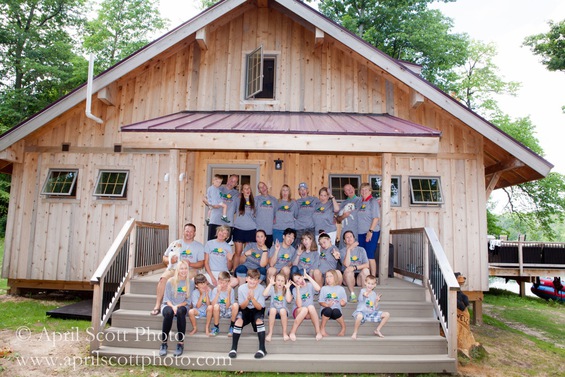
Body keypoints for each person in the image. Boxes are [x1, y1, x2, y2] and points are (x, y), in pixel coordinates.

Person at [150, 223, 204, 316]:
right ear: (183, 231)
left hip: (190, 269)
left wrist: (190, 264)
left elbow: (201, 263)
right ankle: (158, 305)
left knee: (191, 280)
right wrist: (171, 260)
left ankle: (187, 305)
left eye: (191, 231)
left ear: (194, 233)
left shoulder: (199, 246)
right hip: (174, 268)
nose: (189, 233)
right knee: (163, 278)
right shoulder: (175, 243)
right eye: (187, 231)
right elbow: (164, 258)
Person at [228, 268, 268, 359]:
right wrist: (248, 299)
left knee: (259, 321)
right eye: (251, 278)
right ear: (246, 279)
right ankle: (233, 348)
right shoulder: (241, 288)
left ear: (258, 281)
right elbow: (242, 307)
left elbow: (260, 307)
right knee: (238, 321)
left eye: (255, 279)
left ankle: (262, 349)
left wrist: (253, 299)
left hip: (257, 309)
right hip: (245, 309)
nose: (252, 281)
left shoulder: (261, 289)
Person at [159, 260, 190, 357]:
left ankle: (180, 343)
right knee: (168, 312)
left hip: (182, 306)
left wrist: (178, 306)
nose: (183, 271)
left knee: (181, 312)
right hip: (169, 304)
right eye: (181, 268)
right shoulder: (170, 281)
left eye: (185, 268)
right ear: (177, 269)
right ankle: (164, 343)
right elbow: (167, 299)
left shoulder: (190, 282)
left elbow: (188, 301)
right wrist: (173, 307)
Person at [286, 271, 323, 341]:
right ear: (295, 283)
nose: (299, 281)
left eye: (299, 278)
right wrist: (297, 289)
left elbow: (318, 288)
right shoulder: (294, 290)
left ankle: (318, 332)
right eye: (297, 281)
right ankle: (292, 332)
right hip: (298, 311)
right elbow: (299, 305)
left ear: (302, 277)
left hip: (309, 312)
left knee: (311, 307)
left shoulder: (310, 285)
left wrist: (308, 277)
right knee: (304, 309)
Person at [351, 274, 390, 339]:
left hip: (371, 313)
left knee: (387, 314)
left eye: (372, 284)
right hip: (362, 312)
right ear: (365, 283)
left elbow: (375, 308)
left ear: (375, 285)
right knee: (360, 316)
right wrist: (365, 295)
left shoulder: (374, 294)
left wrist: (377, 301)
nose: (370, 285)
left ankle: (377, 330)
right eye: (368, 283)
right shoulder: (362, 291)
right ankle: (355, 332)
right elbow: (361, 299)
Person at [232, 183, 257, 271]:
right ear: (242, 191)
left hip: (251, 230)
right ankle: (235, 271)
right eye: (245, 189)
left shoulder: (255, 201)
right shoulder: (237, 200)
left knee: (248, 253)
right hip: (239, 229)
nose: (247, 190)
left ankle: (245, 271)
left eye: (249, 188)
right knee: (238, 252)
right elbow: (230, 195)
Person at [357, 183, 380, 276]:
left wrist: (370, 231)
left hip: (371, 232)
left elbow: (376, 218)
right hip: (360, 233)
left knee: (370, 255)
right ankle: (366, 276)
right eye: (362, 189)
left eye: (366, 189)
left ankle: (373, 277)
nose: (364, 191)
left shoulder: (373, 201)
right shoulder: (360, 202)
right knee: (364, 256)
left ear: (370, 191)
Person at [340, 230, 370, 303]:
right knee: (348, 271)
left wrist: (354, 267)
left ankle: (364, 295)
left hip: (359, 276)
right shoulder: (342, 251)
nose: (349, 238)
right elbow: (346, 264)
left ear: (354, 238)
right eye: (347, 237)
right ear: (344, 240)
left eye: (351, 236)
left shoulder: (361, 250)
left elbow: (367, 265)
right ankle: (352, 295)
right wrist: (349, 250)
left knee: (366, 270)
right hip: (347, 278)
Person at [207, 271, 239, 337]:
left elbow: (228, 306)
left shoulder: (231, 290)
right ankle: (216, 327)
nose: (223, 285)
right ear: (218, 281)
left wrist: (228, 294)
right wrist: (218, 293)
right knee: (215, 306)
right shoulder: (215, 290)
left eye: (225, 283)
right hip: (218, 311)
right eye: (221, 283)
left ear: (228, 282)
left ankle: (232, 327)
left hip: (228, 310)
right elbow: (212, 305)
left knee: (236, 305)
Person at [208, 174, 239, 241]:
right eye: (231, 180)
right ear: (228, 180)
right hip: (215, 221)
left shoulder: (237, 194)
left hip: (228, 224)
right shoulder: (217, 188)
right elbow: (204, 198)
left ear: (236, 184)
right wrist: (212, 205)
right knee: (211, 245)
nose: (231, 182)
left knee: (225, 247)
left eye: (234, 181)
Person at [262, 273, 292, 341]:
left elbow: (289, 300)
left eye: (282, 281)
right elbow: (264, 294)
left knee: (282, 310)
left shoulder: (285, 290)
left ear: (285, 282)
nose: (280, 282)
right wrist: (270, 284)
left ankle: (284, 333)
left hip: (283, 312)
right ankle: (270, 333)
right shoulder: (272, 288)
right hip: (273, 312)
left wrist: (287, 289)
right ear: (275, 281)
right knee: (272, 309)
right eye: (278, 280)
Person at [318, 269, 347, 337]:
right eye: (327, 277)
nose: (328, 278)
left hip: (336, 310)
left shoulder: (341, 289)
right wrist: (327, 305)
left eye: (330, 276)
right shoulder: (324, 288)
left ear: (335, 277)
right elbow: (321, 302)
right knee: (328, 309)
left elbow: (344, 302)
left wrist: (343, 303)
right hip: (325, 311)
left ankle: (343, 327)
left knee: (336, 311)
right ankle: (322, 328)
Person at [294, 182, 319, 248]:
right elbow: (294, 215)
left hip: (311, 229)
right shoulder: (296, 202)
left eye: (304, 189)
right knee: (299, 248)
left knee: (312, 248)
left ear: (307, 190)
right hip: (299, 229)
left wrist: (333, 216)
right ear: (299, 191)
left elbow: (323, 206)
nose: (303, 191)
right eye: (301, 189)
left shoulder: (314, 200)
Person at [255, 181, 278, 248]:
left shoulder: (274, 200)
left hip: (269, 231)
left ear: (267, 187)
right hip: (258, 231)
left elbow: (277, 213)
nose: (263, 188)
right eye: (260, 187)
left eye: (264, 186)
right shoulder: (256, 199)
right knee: (257, 253)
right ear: (259, 190)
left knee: (267, 252)